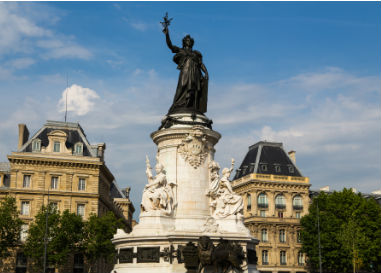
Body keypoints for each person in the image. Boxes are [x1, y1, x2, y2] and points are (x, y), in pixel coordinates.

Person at [163, 27, 209, 114]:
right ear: (184, 42)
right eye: (187, 41)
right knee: (183, 86)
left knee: (194, 89)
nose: (189, 42)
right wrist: (167, 34)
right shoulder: (181, 50)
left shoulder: (196, 53)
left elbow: (200, 64)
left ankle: (192, 106)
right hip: (186, 71)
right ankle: (179, 105)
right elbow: (170, 45)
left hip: (195, 73)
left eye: (190, 41)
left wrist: (206, 72)